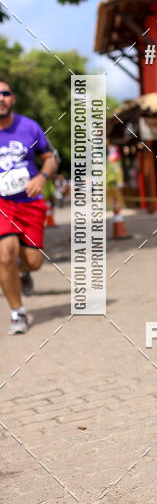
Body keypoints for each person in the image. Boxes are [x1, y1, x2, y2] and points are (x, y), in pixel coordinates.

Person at [0, 78, 58, 333]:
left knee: (33, 261)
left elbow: (50, 159)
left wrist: (42, 177)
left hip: (30, 202)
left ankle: (23, 274)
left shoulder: (30, 127)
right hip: (2, 203)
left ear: (13, 98)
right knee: (5, 254)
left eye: (5, 93)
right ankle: (18, 313)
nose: (0, 98)